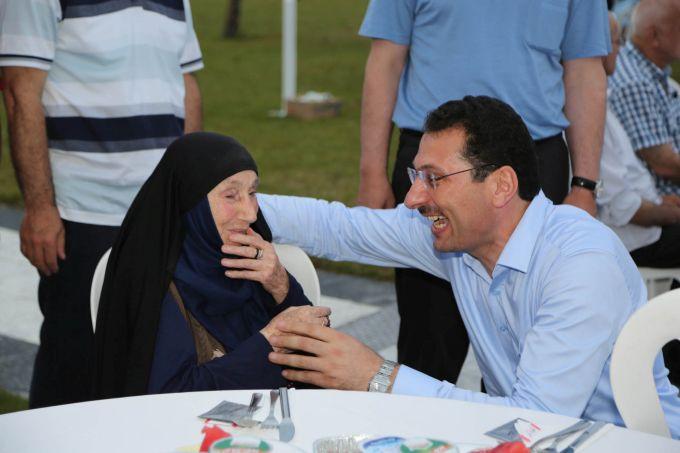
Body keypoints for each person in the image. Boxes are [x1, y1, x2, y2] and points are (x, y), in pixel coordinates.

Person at [257, 97, 680, 437]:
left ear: (501, 186)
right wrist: (234, 205)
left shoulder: (580, 265)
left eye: (433, 178)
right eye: (415, 175)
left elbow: (538, 423)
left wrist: (377, 376)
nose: (413, 198)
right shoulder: (457, 237)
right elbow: (341, 228)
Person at [355, 0, 611, 384]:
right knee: (428, 339)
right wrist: (371, 171)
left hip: (534, 160)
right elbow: (386, 58)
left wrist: (585, 184)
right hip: (434, 162)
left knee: (527, 340)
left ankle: (513, 439)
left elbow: (585, 69)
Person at [0, 0, 203, 407]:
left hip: (160, 211)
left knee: (155, 359)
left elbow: (186, 87)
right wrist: (40, 208)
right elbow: (21, 91)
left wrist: (188, 194)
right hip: (82, 212)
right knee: (74, 365)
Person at [93, 133, 329, 397]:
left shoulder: (252, 260)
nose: (250, 214)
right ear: (191, 202)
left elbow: (322, 358)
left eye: (252, 192)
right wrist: (270, 343)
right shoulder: (155, 280)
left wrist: (281, 285)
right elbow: (170, 394)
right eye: (231, 195)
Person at [598, 13, 680, 388]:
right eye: (616, 42)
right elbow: (625, 207)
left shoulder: (602, 98)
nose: (621, 49)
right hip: (633, 238)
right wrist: (666, 210)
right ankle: (673, 368)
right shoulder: (594, 107)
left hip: (639, 226)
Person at [608, 0, 680, 197]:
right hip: (662, 212)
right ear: (654, 35)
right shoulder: (635, 83)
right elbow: (665, 165)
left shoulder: (648, 69)